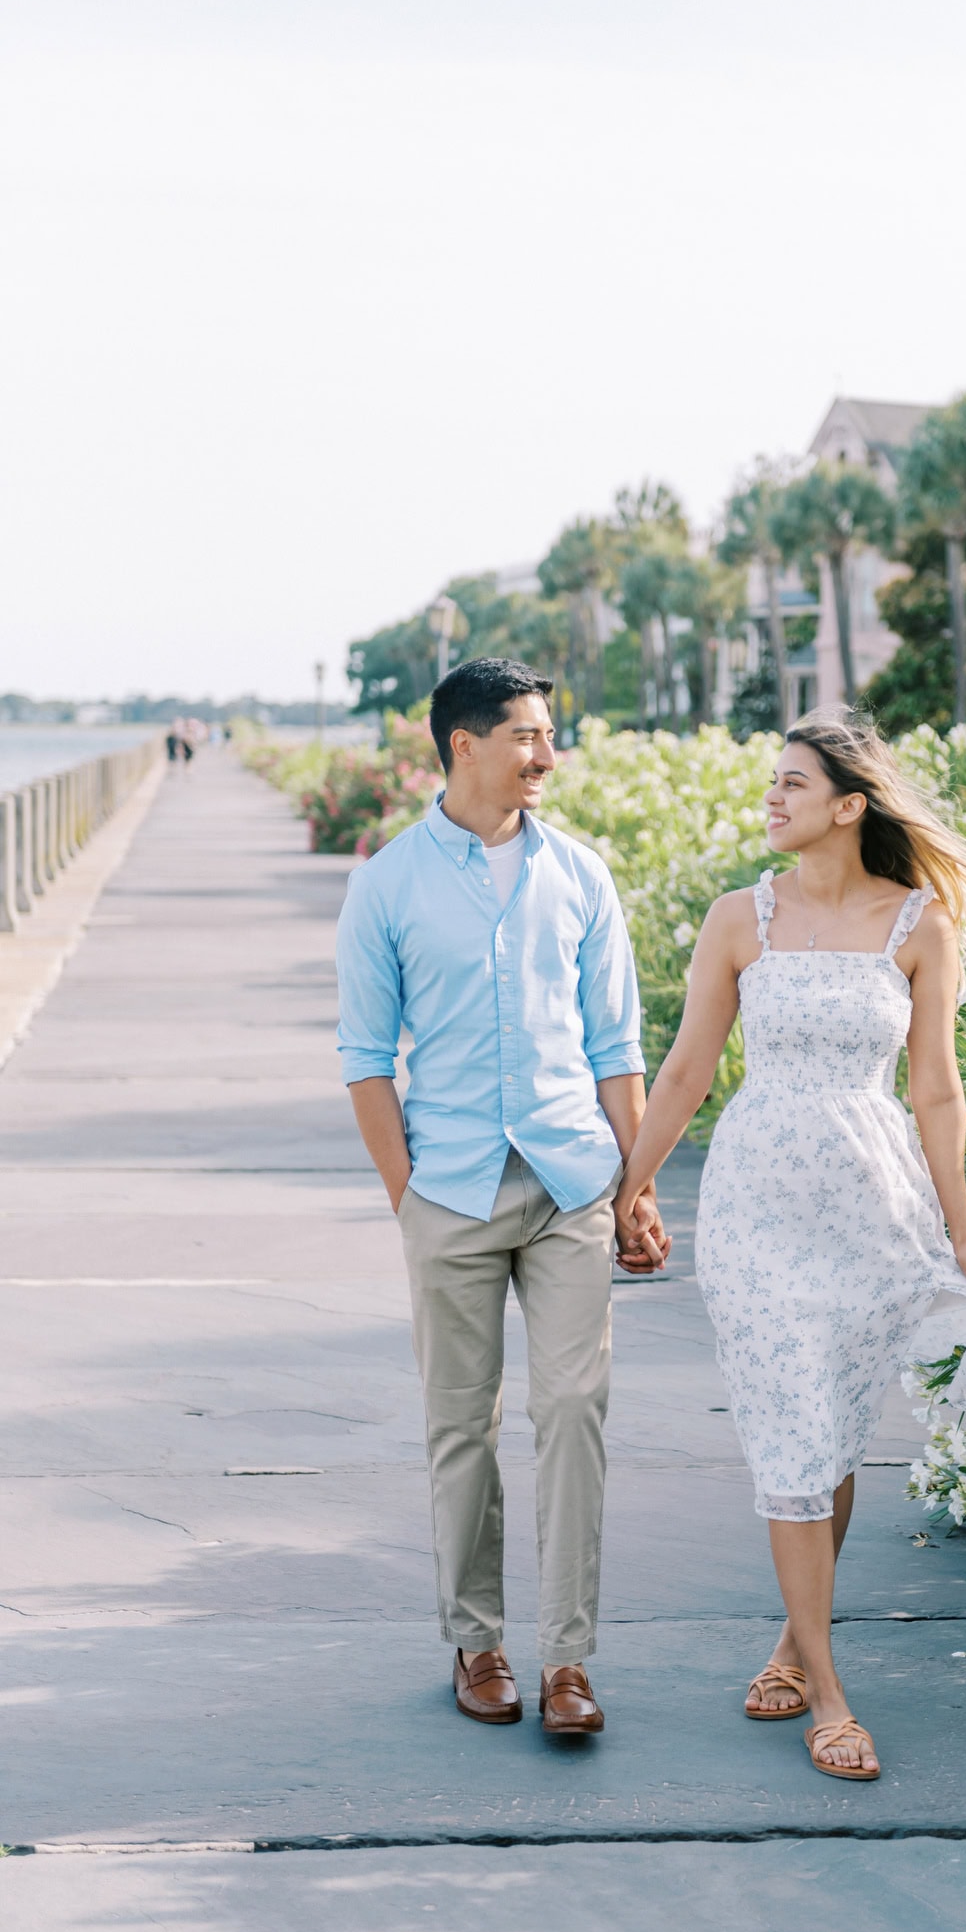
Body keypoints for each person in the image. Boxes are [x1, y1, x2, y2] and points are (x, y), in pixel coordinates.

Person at [615, 710, 966, 1783]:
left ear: (849, 804)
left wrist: (962, 1231)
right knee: (792, 1427)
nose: (772, 798)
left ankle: (796, 1642)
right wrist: (630, 1182)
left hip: (871, 1207)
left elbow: (935, 1087)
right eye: (772, 782)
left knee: (830, 1431)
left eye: (792, 783)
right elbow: (686, 1070)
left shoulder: (920, 923)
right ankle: (831, 1695)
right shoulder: (736, 918)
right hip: (756, 1210)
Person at [336, 657, 668, 1736]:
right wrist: (408, 1201)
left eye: (548, 733)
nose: (547, 754)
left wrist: (637, 1183)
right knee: (459, 1425)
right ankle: (476, 1641)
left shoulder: (581, 872)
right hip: (451, 1191)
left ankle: (568, 1660)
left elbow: (616, 1043)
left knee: (574, 1409)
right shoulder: (385, 882)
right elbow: (365, 1058)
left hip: (571, 1178)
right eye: (527, 734)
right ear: (464, 743)